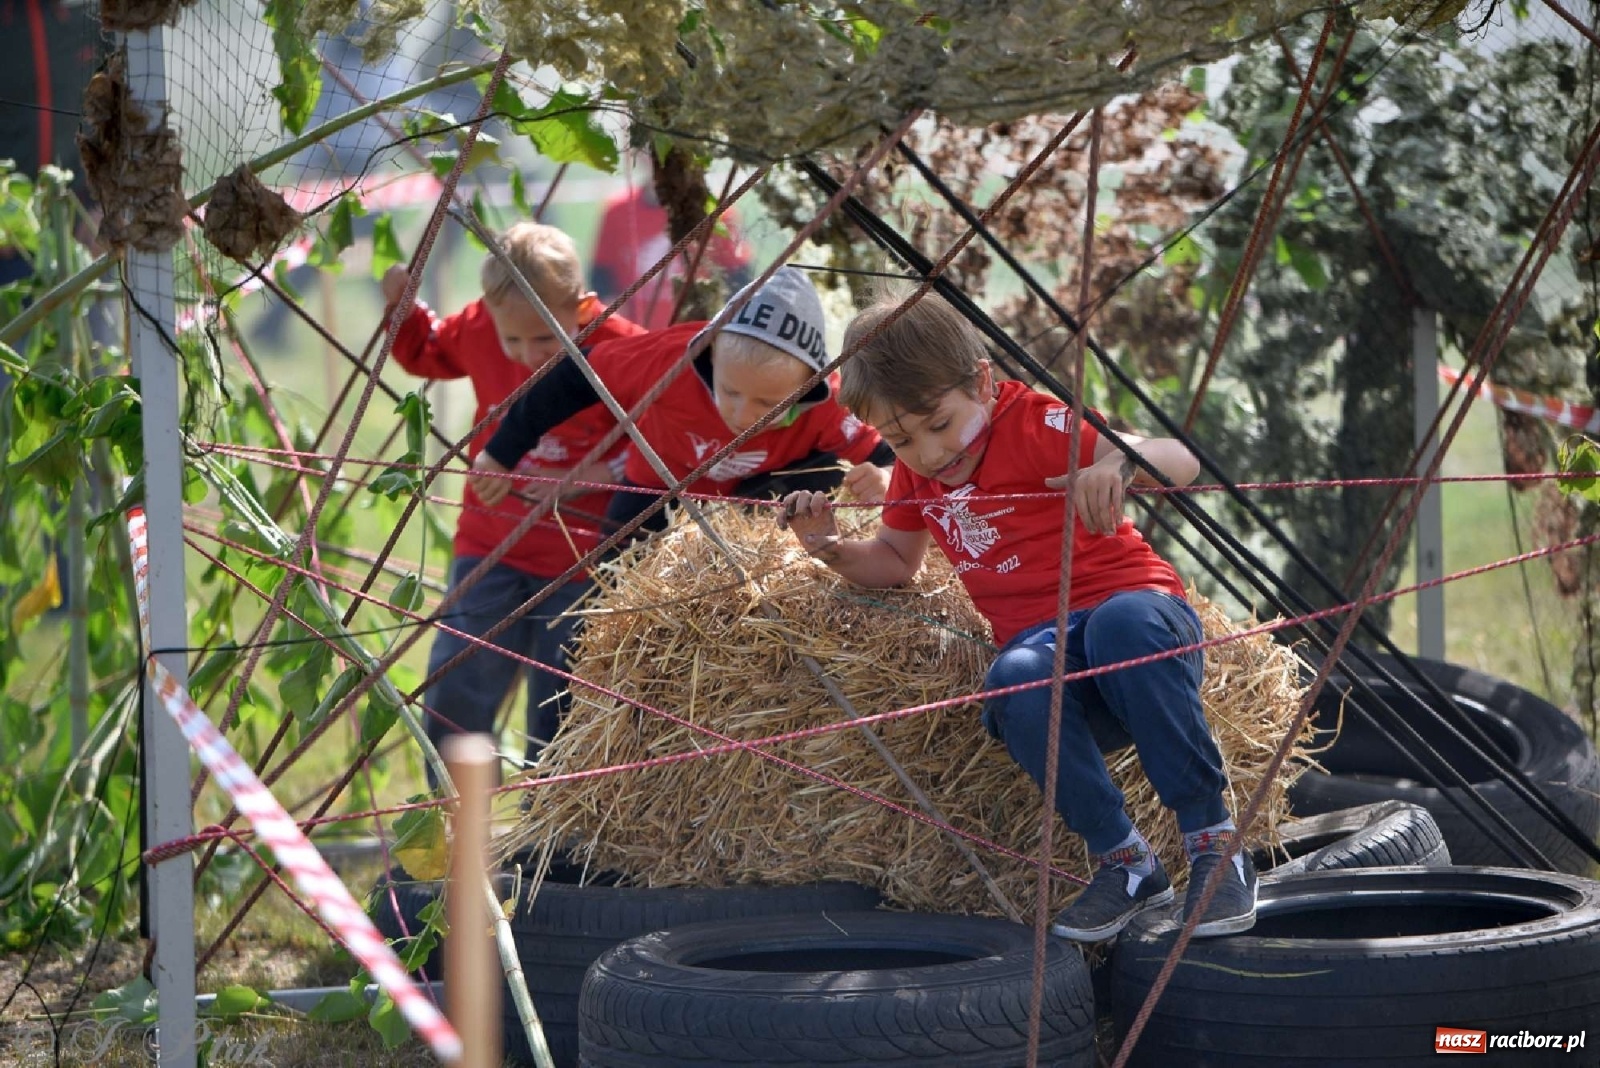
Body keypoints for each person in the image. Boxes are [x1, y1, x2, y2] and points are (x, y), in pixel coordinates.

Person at [776, 291, 1257, 942]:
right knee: (1014, 675)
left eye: (938, 424)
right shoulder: (920, 475)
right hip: (1065, 670)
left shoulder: (1038, 424)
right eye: (899, 439)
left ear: (982, 380)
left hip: (1144, 628)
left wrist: (1115, 463)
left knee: (1118, 627)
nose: (926, 452)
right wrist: (825, 546)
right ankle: (1126, 862)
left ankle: (1214, 841)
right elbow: (894, 561)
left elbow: (1180, 459)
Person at [382, 222, 645, 784]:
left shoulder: (621, 345)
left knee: (563, 702)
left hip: (582, 559)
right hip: (491, 542)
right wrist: (403, 306)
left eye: (546, 339)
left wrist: (589, 476)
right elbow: (426, 352)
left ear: (582, 306)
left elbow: (658, 439)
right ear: (487, 315)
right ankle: (451, 821)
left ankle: (548, 836)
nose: (529, 357)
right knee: (460, 684)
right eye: (513, 341)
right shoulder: (478, 328)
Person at [471, 265, 894, 536]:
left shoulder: (829, 404)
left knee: (819, 485)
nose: (742, 415)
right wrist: (501, 452)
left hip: (762, 497)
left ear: (806, 389)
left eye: (765, 404)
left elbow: (887, 452)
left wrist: (885, 477)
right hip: (659, 484)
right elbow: (572, 377)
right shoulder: (666, 362)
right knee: (612, 574)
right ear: (709, 353)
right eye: (730, 392)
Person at [591, 179, 753, 331]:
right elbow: (602, 276)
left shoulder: (714, 210)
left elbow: (738, 276)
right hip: (639, 335)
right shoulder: (618, 210)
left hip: (699, 333)